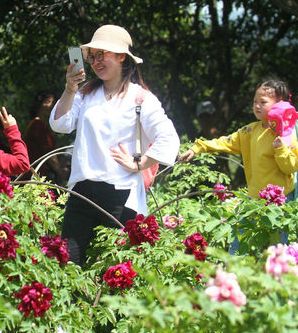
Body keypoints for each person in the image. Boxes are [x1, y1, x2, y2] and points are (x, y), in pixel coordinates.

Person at [50, 24, 180, 265]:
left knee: (119, 271)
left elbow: (169, 138)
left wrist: (140, 162)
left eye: (103, 54)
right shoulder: (85, 94)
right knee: (68, 264)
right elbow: (60, 124)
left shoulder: (141, 98)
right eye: (93, 56)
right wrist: (70, 89)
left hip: (121, 196)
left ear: (122, 57)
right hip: (82, 190)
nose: (97, 61)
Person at [179, 79, 298, 198]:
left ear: (280, 105)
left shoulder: (285, 134)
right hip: (256, 199)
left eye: (263, 102)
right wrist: (197, 148)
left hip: (281, 200)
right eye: (255, 101)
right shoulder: (250, 131)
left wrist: (281, 149)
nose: (257, 106)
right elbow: (225, 142)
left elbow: (290, 168)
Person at [24, 91, 69, 184]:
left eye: (53, 103)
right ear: (39, 104)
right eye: (47, 102)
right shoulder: (37, 125)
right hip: (38, 175)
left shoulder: (43, 126)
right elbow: (49, 154)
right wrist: (60, 174)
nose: (51, 106)